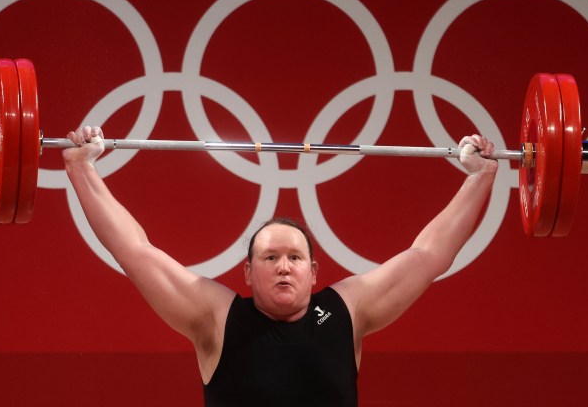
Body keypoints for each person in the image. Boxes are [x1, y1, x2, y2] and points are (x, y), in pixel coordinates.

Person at [63, 126, 498, 406]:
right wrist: (82, 170)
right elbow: (136, 252)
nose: (283, 267)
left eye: (294, 258)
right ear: (249, 273)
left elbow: (427, 256)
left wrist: (479, 178)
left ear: (314, 272)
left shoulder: (348, 310)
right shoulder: (216, 319)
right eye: (270, 258)